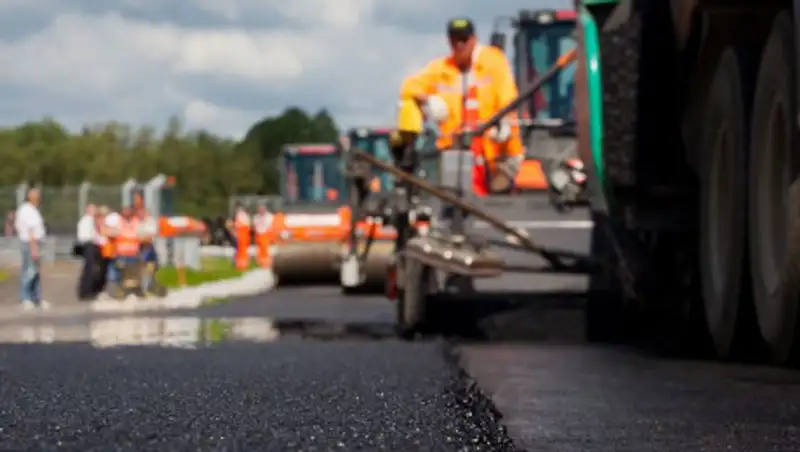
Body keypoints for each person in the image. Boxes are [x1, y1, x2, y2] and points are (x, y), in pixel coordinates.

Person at [397, 18, 524, 195]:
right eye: (455, 40)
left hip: (498, 153)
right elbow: (409, 87)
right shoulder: (442, 69)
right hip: (457, 155)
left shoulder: (494, 61)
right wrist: (428, 99)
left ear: (474, 39)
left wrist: (504, 122)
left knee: (497, 200)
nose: (460, 45)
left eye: (464, 39)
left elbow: (507, 97)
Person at [15, 188, 49, 310]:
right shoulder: (26, 210)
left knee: (35, 271)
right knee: (29, 271)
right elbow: (30, 231)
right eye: (36, 194)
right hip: (30, 243)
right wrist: (34, 248)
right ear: (30, 196)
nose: (39, 196)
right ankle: (25, 298)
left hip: (36, 242)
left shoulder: (34, 210)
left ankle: (37, 297)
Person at [105, 207, 140, 298]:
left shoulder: (136, 222)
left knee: (131, 276)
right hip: (121, 253)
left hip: (132, 253)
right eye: (125, 212)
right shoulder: (118, 222)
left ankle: (130, 293)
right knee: (119, 274)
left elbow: (140, 234)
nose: (127, 214)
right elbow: (109, 232)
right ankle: (119, 293)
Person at [76, 203, 99, 300]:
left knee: (88, 269)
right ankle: (86, 292)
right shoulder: (88, 220)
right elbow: (90, 235)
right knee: (88, 269)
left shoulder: (87, 220)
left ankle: (86, 291)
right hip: (88, 244)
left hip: (88, 244)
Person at [233, 205, 251, 270]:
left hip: (243, 235)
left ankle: (242, 263)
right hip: (242, 236)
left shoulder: (241, 215)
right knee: (241, 250)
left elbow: (241, 225)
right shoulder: (242, 215)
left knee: (242, 250)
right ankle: (241, 263)